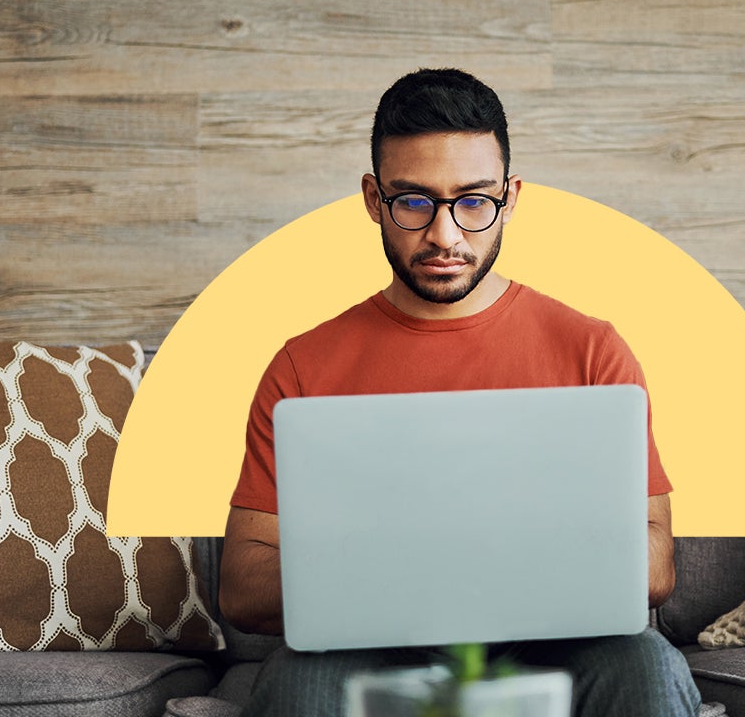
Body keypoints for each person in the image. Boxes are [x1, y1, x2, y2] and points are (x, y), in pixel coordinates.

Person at [219, 67, 702, 717]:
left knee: (649, 666)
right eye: (414, 202)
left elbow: (654, 569)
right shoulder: (302, 367)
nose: (445, 236)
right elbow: (242, 588)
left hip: (554, 643)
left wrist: (468, 562)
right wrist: (411, 571)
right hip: (369, 644)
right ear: (373, 199)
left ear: (511, 196)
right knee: (297, 686)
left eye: (474, 202)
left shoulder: (591, 348)